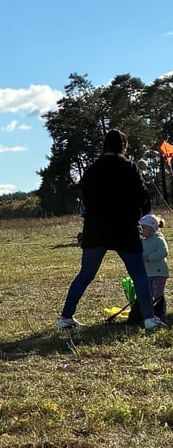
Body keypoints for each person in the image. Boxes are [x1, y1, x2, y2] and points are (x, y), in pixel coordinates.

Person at [58, 130, 167, 331]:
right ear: (123, 146)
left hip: (96, 228)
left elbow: (87, 201)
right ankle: (150, 319)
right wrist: (140, 214)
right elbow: (142, 195)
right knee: (139, 274)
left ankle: (66, 317)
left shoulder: (92, 170)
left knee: (85, 274)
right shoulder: (130, 167)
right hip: (124, 227)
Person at [140, 213, 168, 320]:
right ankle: (149, 314)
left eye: (144, 227)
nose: (141, 230)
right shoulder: (142, 240)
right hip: (147, 273)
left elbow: (163, 252)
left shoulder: (158, 238)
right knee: (148, 294)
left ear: (152, 228)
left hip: (159, 273)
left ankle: (160, 315)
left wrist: (149, 258)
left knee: (158, 295)